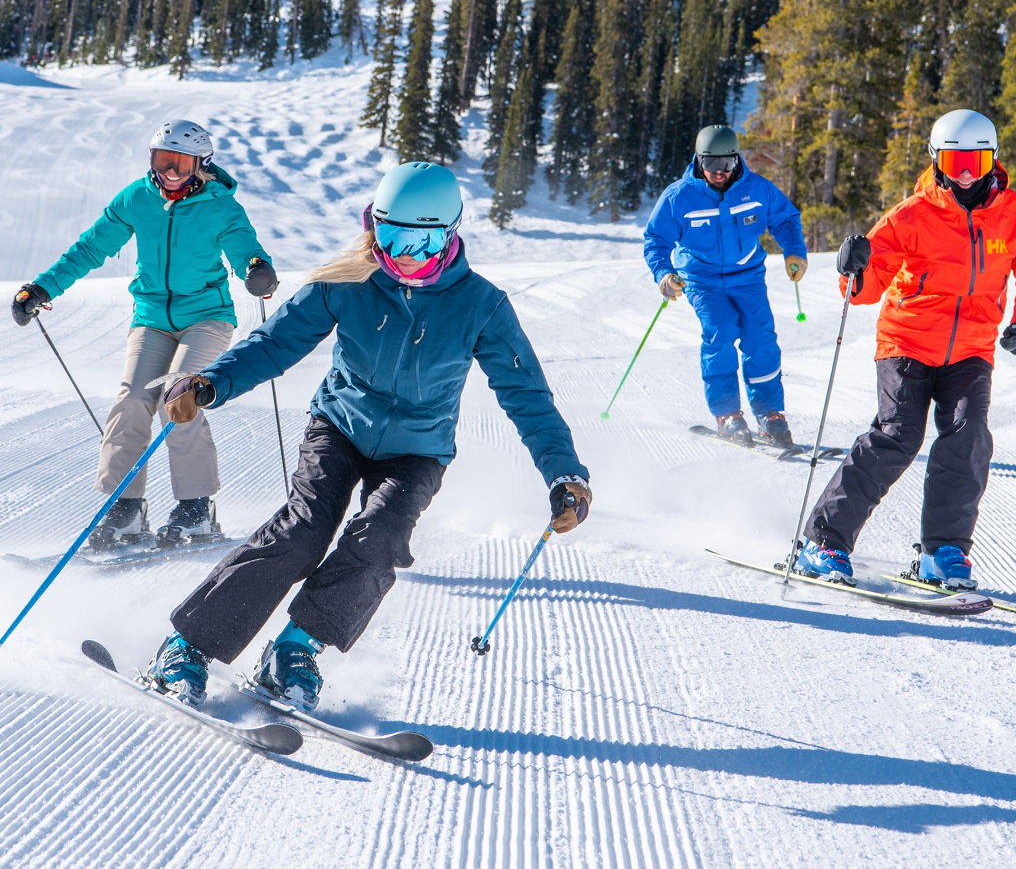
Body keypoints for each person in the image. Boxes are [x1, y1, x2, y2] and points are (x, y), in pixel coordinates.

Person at [140, 161, 592, 710]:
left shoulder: (482, 305)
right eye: (390, 232)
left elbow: (527, 395)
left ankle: (295, 648)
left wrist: (563, 472)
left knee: (380, 541)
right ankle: (186, 645)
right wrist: (212, 381)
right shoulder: (349, 280)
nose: (402, 251)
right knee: (304, 531)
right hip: (341, 425)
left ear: (449, 235)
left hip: (418, 450)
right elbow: (276, 342)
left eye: (420, 239)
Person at [793, 108, 1016, 590]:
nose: (964, 174)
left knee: (968, 434)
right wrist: (853, 268)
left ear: (991, 160)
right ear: (936, 161)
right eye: (954, 162)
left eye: (974, 162)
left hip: (971, 349)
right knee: (899, 435)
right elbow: (864, 288)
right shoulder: (912, 215)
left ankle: (944, 553)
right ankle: (823, 541)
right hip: (907, 343)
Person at [11, 120, 278, 548]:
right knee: (133, 398)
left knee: (179, 395)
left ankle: (196, 508)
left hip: (207, 318)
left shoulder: (220, 205)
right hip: (152, 317)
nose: (170, 172)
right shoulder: (137, 198)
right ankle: (126, 509)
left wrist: (257, 270)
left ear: (200, 165)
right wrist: (43, 287)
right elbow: (90, 248)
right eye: (162, 160)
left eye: (181, 163)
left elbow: (246, 248)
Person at [643, 124, 808, 447]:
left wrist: (795, 253)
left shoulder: (757, 190)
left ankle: (770, 413)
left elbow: (786, 219)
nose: (720, 173)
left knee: (761, 339)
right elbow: (655, 240)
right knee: (719, 334)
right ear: (698, 161)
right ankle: (727, 414)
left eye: (727, 165)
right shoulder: (680, 197)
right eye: (711, 165)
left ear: (737, 159)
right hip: (702, 280)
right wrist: (664, 272)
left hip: (748, 278)